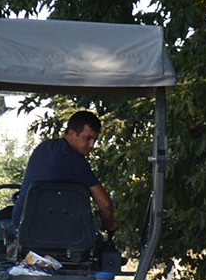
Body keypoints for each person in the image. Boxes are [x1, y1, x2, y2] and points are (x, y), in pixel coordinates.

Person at [8, 111, 121, 271]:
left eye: (94, 140)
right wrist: (109, 225)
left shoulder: (41, 149)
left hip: (24, 230)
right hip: (67, 240)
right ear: (71, 133)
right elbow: (105, 205)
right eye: (87, 138)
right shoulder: (78, 163)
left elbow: (27, 181)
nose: (91, 145)